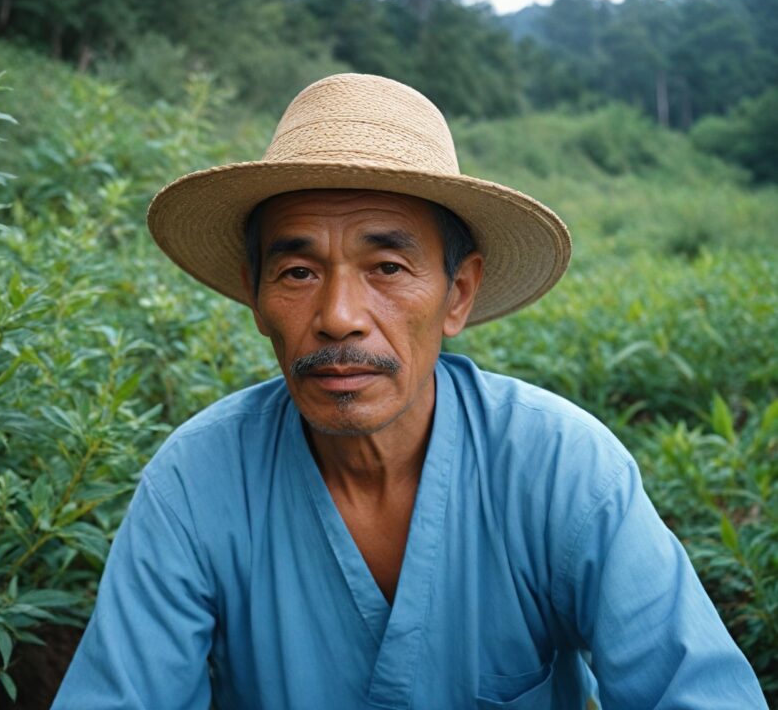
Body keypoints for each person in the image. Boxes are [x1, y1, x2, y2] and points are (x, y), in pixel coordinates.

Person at [52, 74, 767, 709]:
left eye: (387, 268)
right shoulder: (197, 482)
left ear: (458, 293)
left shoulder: (562, 468)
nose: (338, 316)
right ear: (255, 296)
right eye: (298, 272)